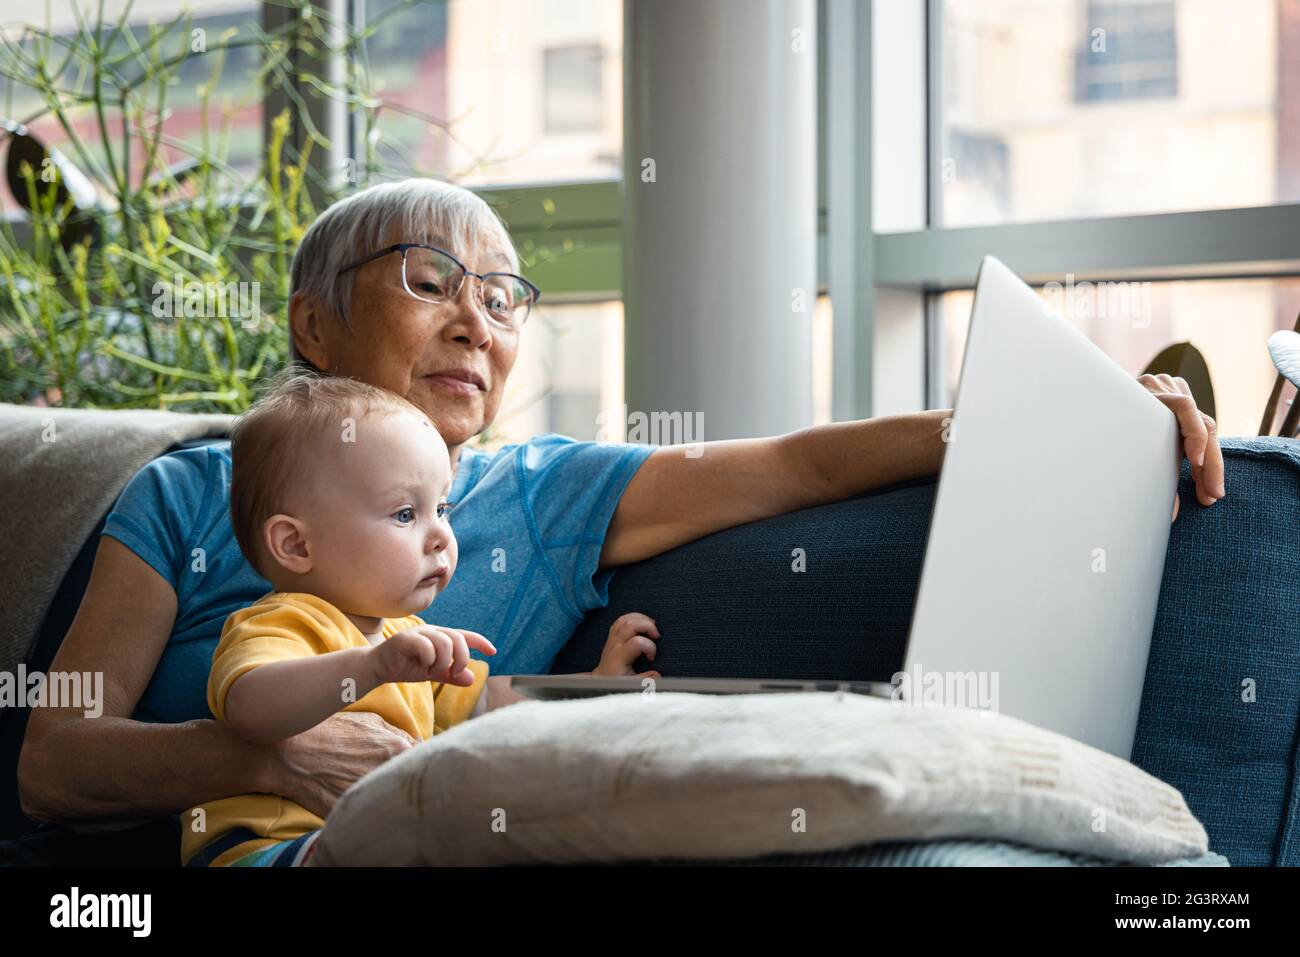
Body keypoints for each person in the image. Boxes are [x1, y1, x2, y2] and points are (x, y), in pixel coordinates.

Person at [17, 178, 1225, 860]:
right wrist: (256, 754)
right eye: (428, 279)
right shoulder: (188, 494)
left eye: (501, 298)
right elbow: (55, 760)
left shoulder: (540, 491)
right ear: (314, 327)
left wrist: (1054, 422)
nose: (476, 320)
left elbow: (791, 467)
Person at [183, 371, 660, 866]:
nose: (441, 538)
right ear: (296, 544)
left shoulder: (403, 639)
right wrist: (371, 667)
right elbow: (251, 709)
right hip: (260, 848)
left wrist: (594, 686)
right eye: (406, 514)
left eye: (443, 508)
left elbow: (489, 702)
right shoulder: (280, 622)